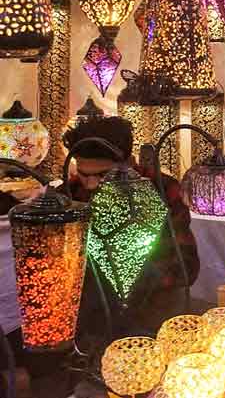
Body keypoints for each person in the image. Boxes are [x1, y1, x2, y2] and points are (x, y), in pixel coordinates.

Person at [62, 116, 199, 333]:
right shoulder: (71, 194)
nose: (91, 185)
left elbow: (185, 264)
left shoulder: (161, 188)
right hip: (92, 305)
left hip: (155, 298)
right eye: (83, 173)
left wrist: (134, 280)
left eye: (102, 175)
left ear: (127, 163)